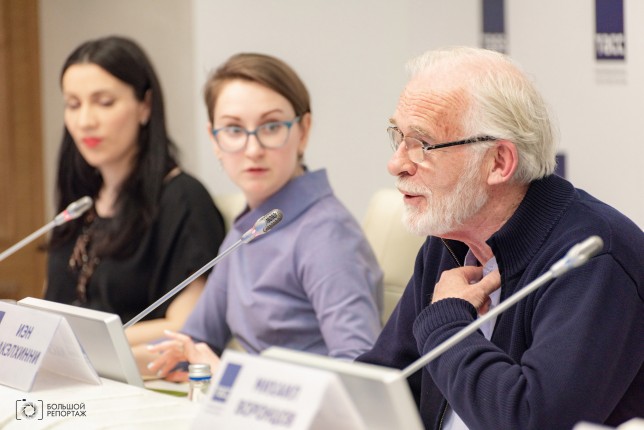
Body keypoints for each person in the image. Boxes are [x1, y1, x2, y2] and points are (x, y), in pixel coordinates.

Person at [357, 46, 644, 429]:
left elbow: (532, 421)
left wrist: (446, 323)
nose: (396, 164)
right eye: (399, 137)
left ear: (499, 162)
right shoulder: (450, 239)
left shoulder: (592, 258)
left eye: (422, 145)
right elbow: (383, 383)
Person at [146, 53, 383, 378]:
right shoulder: (251, 227)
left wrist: (231, 377)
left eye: (271, 127)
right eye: (233, 129)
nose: (253, 149)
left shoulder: (327, 233)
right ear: (214, 139)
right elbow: (194, 343)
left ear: (303, 131)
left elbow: (359, 376)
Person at [45, 36, 226, 348]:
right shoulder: (79, 205)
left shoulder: (183, 199)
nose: (85, 121)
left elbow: (185, 328)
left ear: (145, 106)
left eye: (104, 103)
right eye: (73, 105)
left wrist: (77, 345)